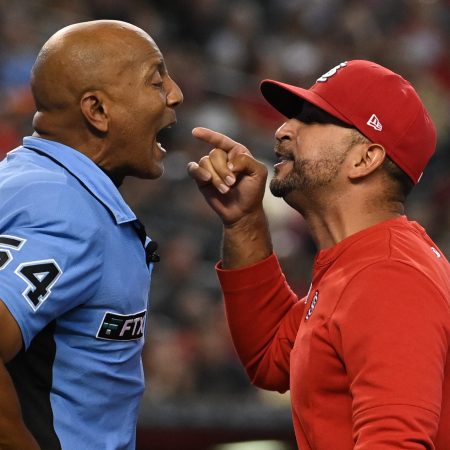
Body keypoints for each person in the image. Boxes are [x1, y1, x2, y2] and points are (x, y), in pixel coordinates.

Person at [188, 60, 450, 449]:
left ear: (366, 158)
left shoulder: (389, 274)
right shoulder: (360, 261)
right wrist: (244, 222)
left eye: (312, 118)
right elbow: (270, 355)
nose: (282, 130)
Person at [0, 20, 182, 450]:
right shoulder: (68, 212)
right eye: (156, 81)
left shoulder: (24, 178)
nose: (175, 93)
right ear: (97, 110)